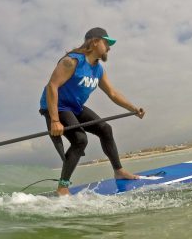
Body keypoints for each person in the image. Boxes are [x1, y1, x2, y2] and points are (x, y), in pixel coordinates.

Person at [39, 27, 145, 196]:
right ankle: (63, 186)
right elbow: (52, 86)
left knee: (105, 129)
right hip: (57, 106)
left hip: (75, 106)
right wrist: (54, 120)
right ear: (95, 42)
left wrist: (132, 108)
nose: (109, 47)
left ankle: (119, 171)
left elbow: (112, 93)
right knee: (80, 139)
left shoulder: (98, 69)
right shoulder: (72, 61)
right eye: (107, 43)